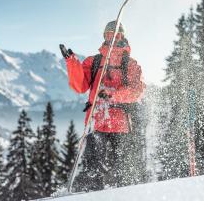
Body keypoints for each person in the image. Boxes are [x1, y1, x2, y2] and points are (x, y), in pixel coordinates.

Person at [60, 21, 145, 191]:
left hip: (121, 125)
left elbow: (137, 91)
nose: (113, 37)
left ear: (122, 36)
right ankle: (92, 194)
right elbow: (80, 86)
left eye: (117, 34)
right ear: (104, 36)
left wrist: (113, 95)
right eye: (109, 34)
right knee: (92, 168)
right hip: (96, 121)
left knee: (123, 170)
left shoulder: (131, 64)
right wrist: (71, 62)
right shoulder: (94, 61)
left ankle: (126, 195)